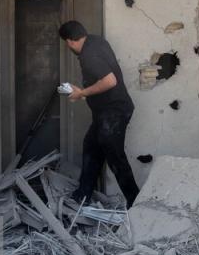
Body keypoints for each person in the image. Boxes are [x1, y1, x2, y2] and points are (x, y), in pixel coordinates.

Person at [58, 20, 140, 208]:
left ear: (69, 41)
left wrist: (82, 93)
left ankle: (135, 201)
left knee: (115, 156)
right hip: (105, 112)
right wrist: (83, 91)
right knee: (91, 147)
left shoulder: (89, 55)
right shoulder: (95, 41)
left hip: (114, 112)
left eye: (67, 43)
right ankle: (82, 196)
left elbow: (110, 81)